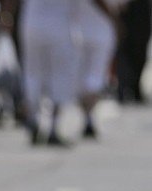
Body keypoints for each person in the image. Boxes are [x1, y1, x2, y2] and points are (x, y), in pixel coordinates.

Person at [20, 0, 79, 146]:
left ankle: (33, 119)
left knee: (32, 74)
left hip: (32, 24)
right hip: (59, 27)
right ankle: (53, 127)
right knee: (59, 77)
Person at [76, 0, 119, 139]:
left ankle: (88, 116)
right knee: (94, 77)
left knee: (86, 79)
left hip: (79, 31)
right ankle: (88, 117)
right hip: (98, 32)